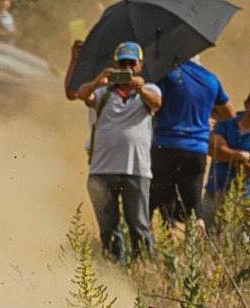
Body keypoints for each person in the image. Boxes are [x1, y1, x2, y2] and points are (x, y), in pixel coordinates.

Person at [74, 41, 163, 262]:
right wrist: (97, 81)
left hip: (136, 169)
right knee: (108, 227)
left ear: (140, 65)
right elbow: (82, 95)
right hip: (102, 169)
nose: (127, 69)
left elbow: (157, 103)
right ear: (115, 65)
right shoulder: (103, 92)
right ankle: (115, 271)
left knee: (139, 225)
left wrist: (139, 87)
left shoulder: (149, 90)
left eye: (131, 63)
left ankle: (144, 270)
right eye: (122, 64)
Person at [150, 56, 235, 226]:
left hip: (166, 146)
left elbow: (155, 105)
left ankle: (147, 247)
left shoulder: (167, 74)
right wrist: (206, 116)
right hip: (197, 150)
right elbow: (229, 113)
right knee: (194, 206)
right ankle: (198, 246)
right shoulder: (211, 78)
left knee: (153, 201)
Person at [204, 91, 250, 220]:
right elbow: (213, 148)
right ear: (247, 104)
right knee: (204, 236)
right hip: (214, 192)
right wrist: (240, 155)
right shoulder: (226, 123)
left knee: (236, 239)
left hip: (243, 200)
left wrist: (225, 153)